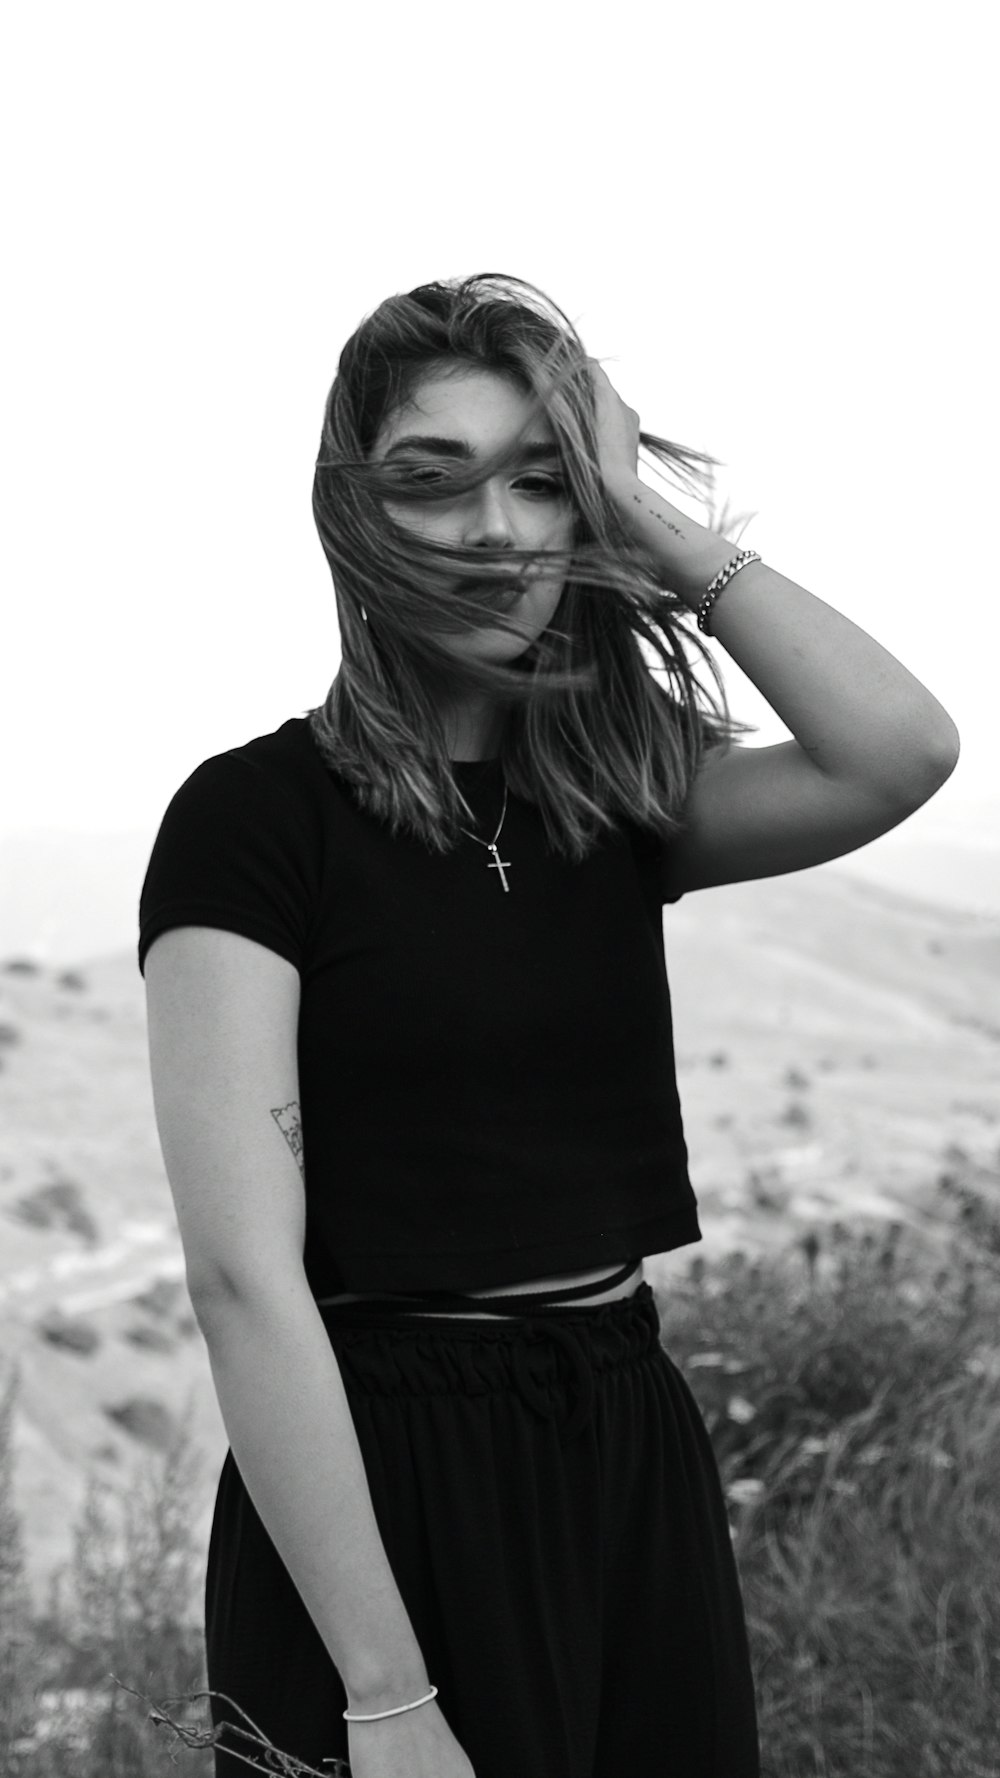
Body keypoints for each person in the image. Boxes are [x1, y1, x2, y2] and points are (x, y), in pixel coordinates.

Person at [138, 273, 959, 1778]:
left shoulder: (614, 796)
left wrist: (641, 507)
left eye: (539, 480)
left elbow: (899, 749)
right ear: (351, 512)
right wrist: (383, 1693)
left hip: (623, 1427)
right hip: (377, 1472)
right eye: (431, 482)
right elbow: (244, 1278)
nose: (498, 529)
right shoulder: (252, 825)